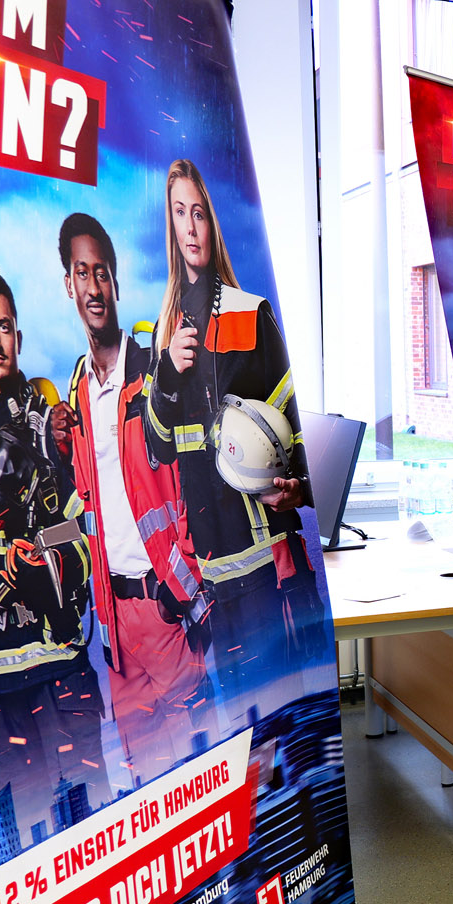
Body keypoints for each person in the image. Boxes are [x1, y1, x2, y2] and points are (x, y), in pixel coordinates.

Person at [0, 267, 109, 842]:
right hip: (3, 685)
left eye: (3, 326)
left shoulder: (52, 427)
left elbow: (83, 528)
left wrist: (46, 567)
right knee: (29, 840)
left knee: (93, 828)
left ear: (18, 335)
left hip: (62, 669)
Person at [143, 159, 326, 704]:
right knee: (251, 732)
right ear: (171, 226)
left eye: (199, 212)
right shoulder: (164, 337)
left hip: (274, 568)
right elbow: (157, 448)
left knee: (299, 723)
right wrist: (166, 376)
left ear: (212, 223)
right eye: (180, 213)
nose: (191, 226)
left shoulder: (252, 313)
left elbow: (299, 433)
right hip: (215, 583)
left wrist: (301, 488)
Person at [53, 213, 211, 782]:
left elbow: (194, 483)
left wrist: (182, 592)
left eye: (102, 273)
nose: (94, 287)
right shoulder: (75, 393)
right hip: (114, 626)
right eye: (82, 273)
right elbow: (83, 508)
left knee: (199, 771)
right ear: (68, 285)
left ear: (115, 282)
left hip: (163, 606)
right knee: (149, 787)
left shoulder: (153, 371)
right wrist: (56, 449)